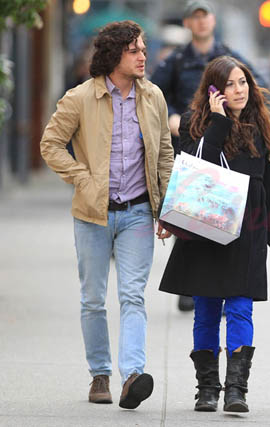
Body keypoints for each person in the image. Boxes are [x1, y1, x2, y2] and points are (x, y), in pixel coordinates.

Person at [40, 21, 173, 409]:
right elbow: (51, 144)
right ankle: (100, 374)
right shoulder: (80, 97)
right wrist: (81, 178)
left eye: (144, 49)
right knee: (93, 299)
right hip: (92, 215)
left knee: (133, 295)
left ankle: (132, 374)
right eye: (135, 50)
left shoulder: (154, 97)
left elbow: (164, 151)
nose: (143, 55)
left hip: (137, 212)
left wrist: (163, 207)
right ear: (114, 54)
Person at [158, 56, 270, 414]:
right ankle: (206, 389)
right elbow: (195, 167)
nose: (239, 90)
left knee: (240, 309)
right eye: (230, 84)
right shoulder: (194, 123)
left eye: (243, 82)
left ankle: (236, 389)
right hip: (205, 232)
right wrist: (216, 122)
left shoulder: (259, 124)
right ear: (214, 90)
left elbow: (269, 185)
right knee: (205, 311)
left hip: (246, 232)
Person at [151, 0, 264, 312]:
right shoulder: (175, 61)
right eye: (195, 17)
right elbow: (153, 97)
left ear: (213, 21)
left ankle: (222, 277)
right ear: (188, 23)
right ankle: (192, 283)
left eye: (205, 16)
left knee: (223, 205)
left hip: (230, 141)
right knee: (191, 204)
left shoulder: (231, 58)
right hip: (190, 138)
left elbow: (256, 89)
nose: (201, 23)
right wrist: (172, 117)